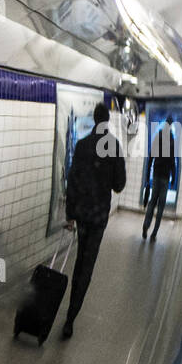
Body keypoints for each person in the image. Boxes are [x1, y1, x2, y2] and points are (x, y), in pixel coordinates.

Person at [61, 100, 126, 339]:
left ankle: (71, 305)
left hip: (82, 216)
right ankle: (70, 316)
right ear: (107, 121)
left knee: (80, 260)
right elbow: (119, 185)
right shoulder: (114, 147)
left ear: (94, 120)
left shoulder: (82, 145)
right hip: (98, 218)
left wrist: (70, 215)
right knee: (87, 265)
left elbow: (72, 181)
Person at [141, 121, 177, 242]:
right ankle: (154, 234)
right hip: (165, 177)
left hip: (156, 174)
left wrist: (147, 175)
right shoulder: (172, 139)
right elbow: (173, 161)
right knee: (161, 206)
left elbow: (151, 156)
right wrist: (174, 177)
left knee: (152, 202)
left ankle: (146, 226)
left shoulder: (159, 137)